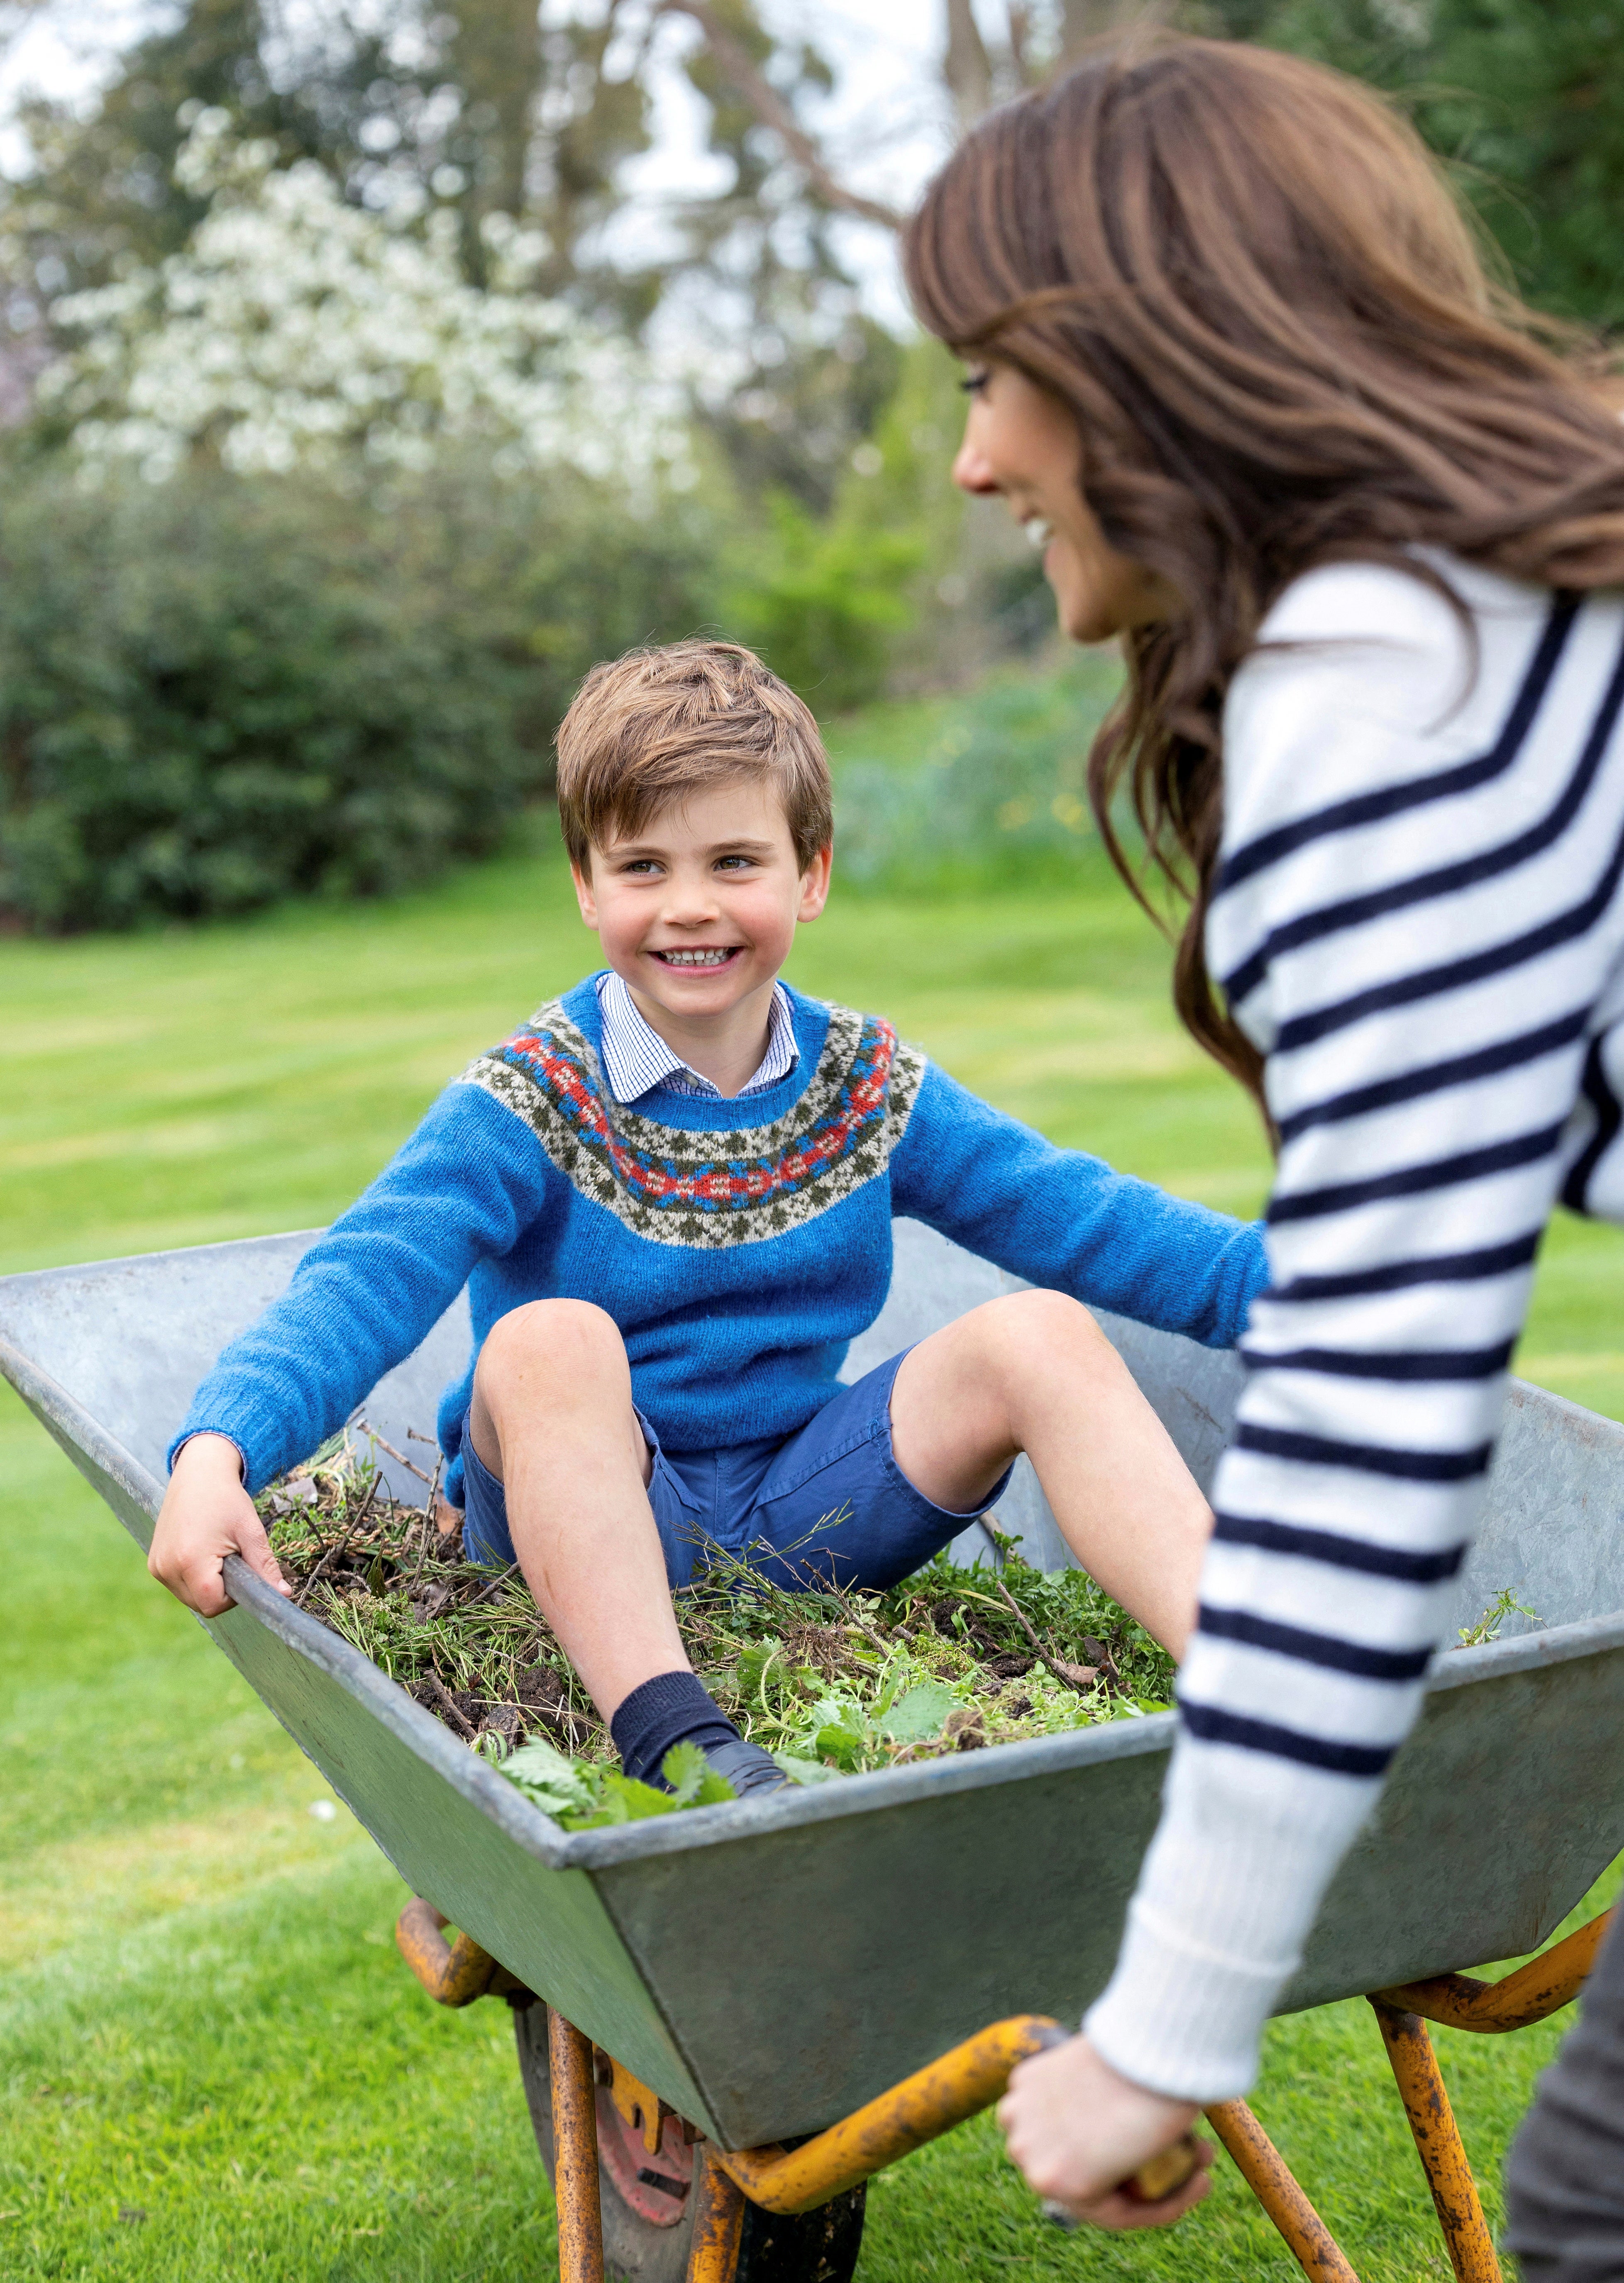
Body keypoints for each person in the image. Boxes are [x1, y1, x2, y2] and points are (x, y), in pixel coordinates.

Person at [904, 31, 1624, 2251]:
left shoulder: (1381, 677)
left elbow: (1361, 1424)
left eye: (989, 380)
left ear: (1133, 362)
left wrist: (1162, 2021)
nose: (965, 463)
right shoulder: (1513, 604)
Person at [150, 637, 1266, 1807]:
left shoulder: (864, 1082)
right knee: (547, 1339)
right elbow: (365, 1274)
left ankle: (1252, 1686)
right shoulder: (533, 1094)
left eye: (735, 860)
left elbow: (1084, 1218)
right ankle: (677, 1740)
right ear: (585, 884)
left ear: (810, 874)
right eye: (642, 866)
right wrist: (220, 1446)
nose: (690, 907)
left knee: (1038, 1329)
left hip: (802, 1510)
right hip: (578, 1519)